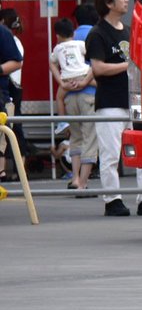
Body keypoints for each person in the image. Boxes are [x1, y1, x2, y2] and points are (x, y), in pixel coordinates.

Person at [86, 0, 142, 216]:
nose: (126, 0)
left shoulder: (129, 30)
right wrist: (127, 65)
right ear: (108, 3)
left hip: (135, 102)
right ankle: (112, 200)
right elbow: (98, 68)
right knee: (110, 154)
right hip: (109, 103)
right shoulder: (97, 33)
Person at [50, 16, 96, 192]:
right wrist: (85, 81)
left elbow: (51, 63)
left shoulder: (57, 48)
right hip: (84, 80)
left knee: (75, 138)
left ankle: (75, 177)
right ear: (73, 32)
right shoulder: (79, 44)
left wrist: (61, 82)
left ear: (57, 35)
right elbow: (93, 59)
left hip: (67, 85)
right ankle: (83, 183)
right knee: (90, 139)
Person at [0, 9, 31, 177]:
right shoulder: (12, 38)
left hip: (7, 90)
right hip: (13, 88)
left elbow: (16, 63)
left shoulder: (5, 35)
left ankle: (11, 169)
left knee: (10, 130)